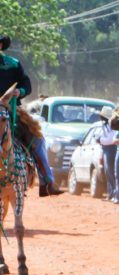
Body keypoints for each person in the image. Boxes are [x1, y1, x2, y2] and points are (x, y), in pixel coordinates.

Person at [0, 34, 63, 196]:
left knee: (37, 139)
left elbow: (26, 84)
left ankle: (47, 182)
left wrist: (18, 91)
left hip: (11, 111)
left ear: (1, 46)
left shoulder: (13, 64)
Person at [96, 106, 119, 202]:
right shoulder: (105, 125)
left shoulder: (112, 126)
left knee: (111, 172)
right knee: (108, 172)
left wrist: (100, 140)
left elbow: (111, 140)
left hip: (111, 149)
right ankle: (110, 194)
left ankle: (114, 194)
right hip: (106, 149)